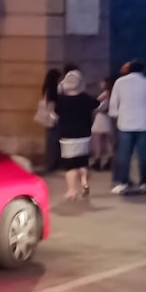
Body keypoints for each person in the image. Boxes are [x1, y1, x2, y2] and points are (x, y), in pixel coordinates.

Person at [109, 60, 146, 195]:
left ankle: (123, 182)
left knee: (124, 155)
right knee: (142, 155)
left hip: (125, 123)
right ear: (142, 70)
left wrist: (115, 114)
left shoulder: (120, 82)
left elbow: (114, 101)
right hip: (142, 123)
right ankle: (143, 182)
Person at [54, 70, 99, 200]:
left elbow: (55, 112)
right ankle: (84, 182)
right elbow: (97, 104)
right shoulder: (86, 99)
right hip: (84, 135)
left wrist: (60, 87)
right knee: (82, 161)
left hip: (68, 137)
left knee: (70, 165)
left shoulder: (61, 101)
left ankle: (71, 190)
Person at [40, 69, 62, 173]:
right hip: (54, 119)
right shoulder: (53, 89)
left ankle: (51, 163)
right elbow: (53, 104)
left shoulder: (46, 88)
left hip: (49, 119)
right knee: (54, 142)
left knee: (51, 141)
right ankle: (53, 164)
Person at [90, 78, 114, 171]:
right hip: (108, 120)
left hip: (100, 119)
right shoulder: (113, 93)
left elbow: (97, 103)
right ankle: (109, 160)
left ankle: (97, 161)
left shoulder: (105, 94)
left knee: (97, 141)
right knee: (108, 142)